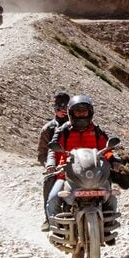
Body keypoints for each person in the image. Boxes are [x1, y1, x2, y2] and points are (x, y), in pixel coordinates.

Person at [40, 95, 114, 229]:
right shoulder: (63, 130)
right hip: (67, 174)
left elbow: (107, 149)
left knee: (111, 197)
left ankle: (108, 225)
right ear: (71, 113)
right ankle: (55, 228)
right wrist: (51, 164)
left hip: (94, 173)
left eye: (84, 112)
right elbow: (53, 149)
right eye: (77, 112)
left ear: (90, 112)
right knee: (52, 200)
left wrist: (114, 160)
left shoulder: (97, 130)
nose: (81, 115)